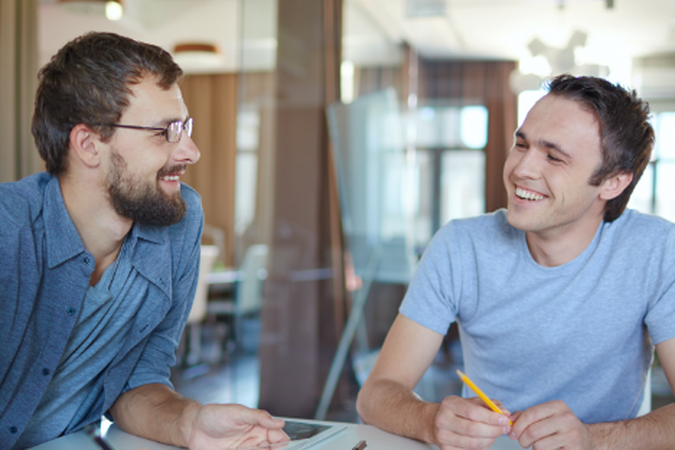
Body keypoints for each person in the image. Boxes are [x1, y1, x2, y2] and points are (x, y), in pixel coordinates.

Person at [0, 32, 287, 450]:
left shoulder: (179, 226)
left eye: (184, 127)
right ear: (88, 144)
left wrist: (192, 423)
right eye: (164, 132)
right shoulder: (9, 233)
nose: (191, 151)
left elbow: (138, 381)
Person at [356, 74, 675, 449]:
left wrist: (593, 439)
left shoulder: (658, 251)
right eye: (521, 145)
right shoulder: (460, 247)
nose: (522, 169)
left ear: (613, 183)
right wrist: (429, 420)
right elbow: (375, 395)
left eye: (554, 157)